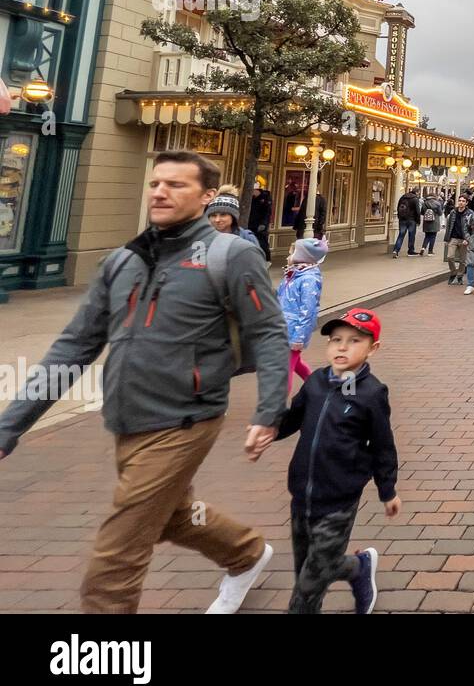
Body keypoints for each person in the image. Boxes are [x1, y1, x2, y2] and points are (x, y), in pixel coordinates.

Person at [0, 150, 288, 614]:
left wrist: (269, 409)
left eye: (176, 184)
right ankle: (246, 552)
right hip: (126, 417)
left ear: (208, 196)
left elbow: (268, 331)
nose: (160, 191)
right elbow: (74, 346)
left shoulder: (230, 255)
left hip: (187, 417)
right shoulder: (122, 260)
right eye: (157, 182)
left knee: (116, 554)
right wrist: (11, 424)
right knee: (170, 516)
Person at [256, 307, 400, 614]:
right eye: (336, 340)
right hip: (302, 497)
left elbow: (383, 445)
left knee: (306, 588)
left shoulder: (372, 393)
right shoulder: (316, 383)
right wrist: (267, 429)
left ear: (373, 348)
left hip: (339, 501)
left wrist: (387, 489)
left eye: (354, 341)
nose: (342, 347)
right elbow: (291, 419)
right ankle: (359, 569)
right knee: (312, 568)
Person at [278, 237, 329, 393]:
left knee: (284, 370)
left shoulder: (308, 279)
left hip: (293, 331)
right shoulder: (293, 275)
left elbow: (308, 310)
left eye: (291, 253)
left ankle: (277, 406)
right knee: (296, 363)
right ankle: (319, 390)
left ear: (302, 257)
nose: (288, 256)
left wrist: (299, 337)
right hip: (284, 327)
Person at [442, 194, 470, 286]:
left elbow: (472, 228)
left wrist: (468, 239)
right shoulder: (453, 212)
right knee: (450, 257)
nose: (461, 202)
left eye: (463, 201)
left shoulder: (470, 213)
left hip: (463, 239)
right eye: (460, 200)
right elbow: (449, 226)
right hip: (453, 238)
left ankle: (460, 275)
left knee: (463, 260)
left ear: (466, 203)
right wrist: (447, 239)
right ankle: (453, 272)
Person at [391, 186, 422, 258]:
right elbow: (418, 211)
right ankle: (410, 251)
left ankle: (396, 250)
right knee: (411, 236)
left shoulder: (403, 197)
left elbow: (398, 207)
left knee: (401, 235)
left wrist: (399, 217)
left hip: (402, 219)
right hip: (412, 220)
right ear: (417, 192)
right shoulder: (415, 199)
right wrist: (418, 221)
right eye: (418, 193)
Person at [249, 184, 273, 261]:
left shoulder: (265, 199)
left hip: (260, 226)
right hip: (251, 224)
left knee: (262, 243)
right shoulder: (252, 199)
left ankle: (266, 259)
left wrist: (263, 224)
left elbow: (267, 213)